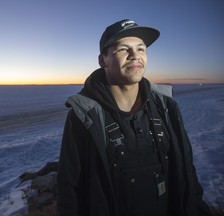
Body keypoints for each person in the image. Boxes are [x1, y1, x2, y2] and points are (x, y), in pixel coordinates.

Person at [56, 19, 212, 216]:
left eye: (141, 49)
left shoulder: (166, 107)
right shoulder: (85, 116)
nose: (135, 56)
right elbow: (69, 188)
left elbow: (186, 169)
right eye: (123, 49)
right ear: (102, 60)